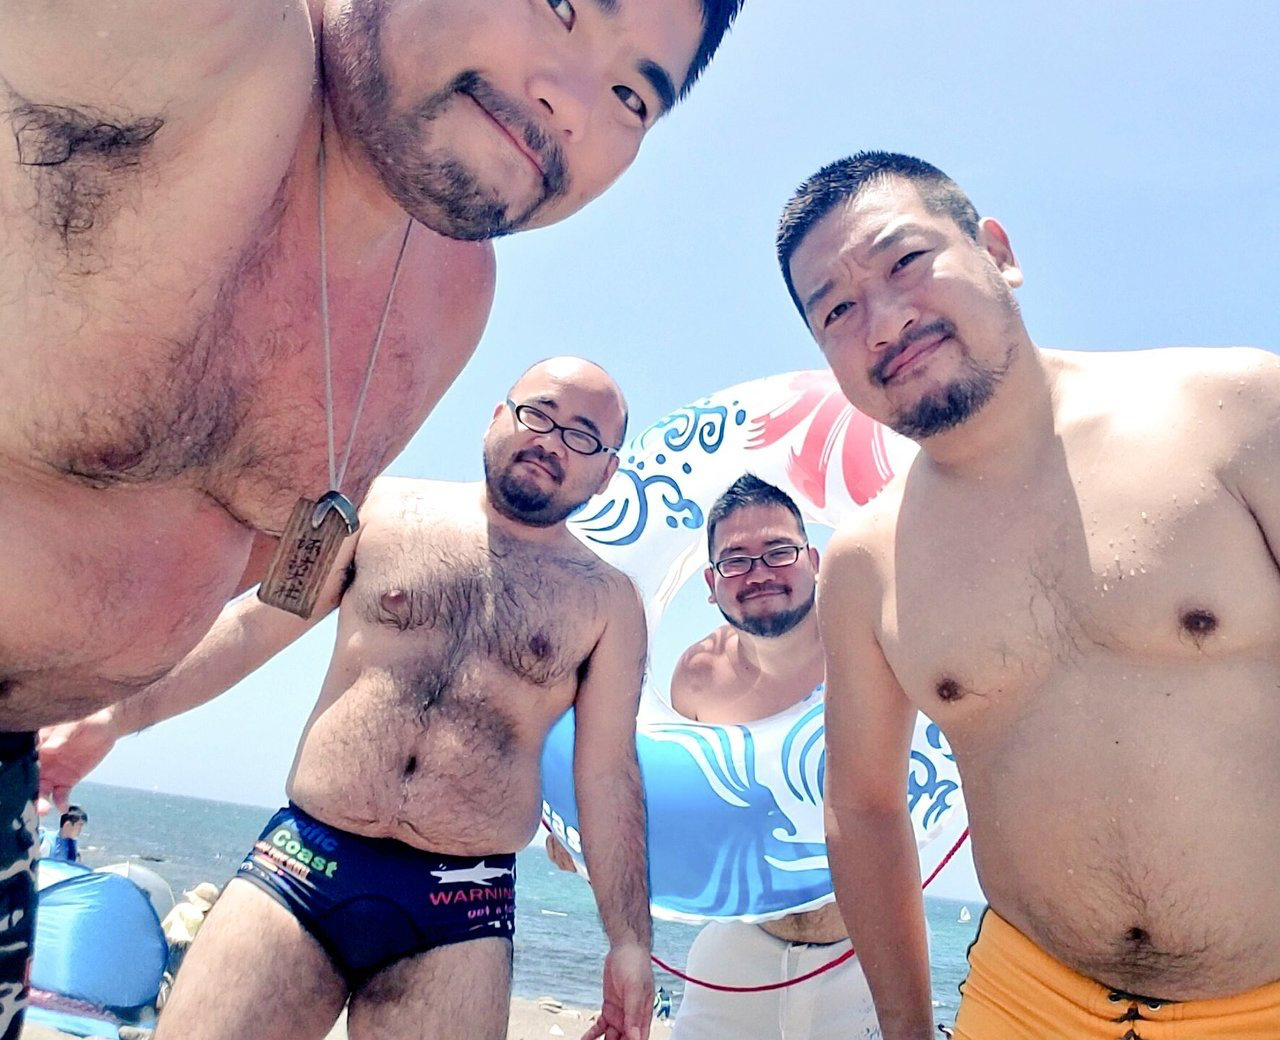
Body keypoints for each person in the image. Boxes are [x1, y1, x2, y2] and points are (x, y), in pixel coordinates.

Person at [2, 0, 751, 1030]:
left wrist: (626, 938)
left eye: (633, 96)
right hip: (305, 855)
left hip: (99, 797)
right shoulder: (183, 27)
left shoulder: (449, 297)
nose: (570, 98)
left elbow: (278, 572)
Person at [776, 151, 1280, 1039]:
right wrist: (906, 1028)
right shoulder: (863, 564)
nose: (885, 321)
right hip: (1024, 1000)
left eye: (905, 261)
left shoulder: (1237, 412)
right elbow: (862, 807)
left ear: (998, 253)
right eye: (837, 311)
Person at [39, 358, 653, 1040]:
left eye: (582, 436)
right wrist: (116, 714)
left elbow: (608, 773)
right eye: (538, 413)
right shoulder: (372, 504)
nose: (551, 441)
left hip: (463, 909)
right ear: (495, 418)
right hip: (301, 863)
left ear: (607, 472)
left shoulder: (610, 604)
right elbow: (254, 624)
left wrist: (629, 941)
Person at [667, 474, 879, 1040]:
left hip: (867, 950)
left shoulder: (875, 647)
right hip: (735, 951)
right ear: (711, 583)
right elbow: (678, 811)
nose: (759, 572)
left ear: (814, 560)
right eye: (735, 560)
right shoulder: (698, 678)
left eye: (779, 551)